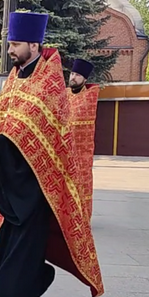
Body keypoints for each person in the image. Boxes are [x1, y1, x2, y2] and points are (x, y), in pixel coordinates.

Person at [0, 12, 104, 297]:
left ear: (34, 44)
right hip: (12, 180)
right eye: (9, 43)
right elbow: (3, 119)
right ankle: (22, 287)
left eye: (15, 44)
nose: (10, 49)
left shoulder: (50, 82)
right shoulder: (14, 77)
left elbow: (31, 130)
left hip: (38, 184)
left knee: (23, 254)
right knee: (11, 251)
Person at [67, 59, 100, 221]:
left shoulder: (89, 96)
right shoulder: (63, 95)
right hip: (64, 151)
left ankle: (82, 217)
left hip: (81, 152)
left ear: (84, 79)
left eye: (78, 75)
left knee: (81, 184)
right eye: (72, 73)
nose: (73, 77)